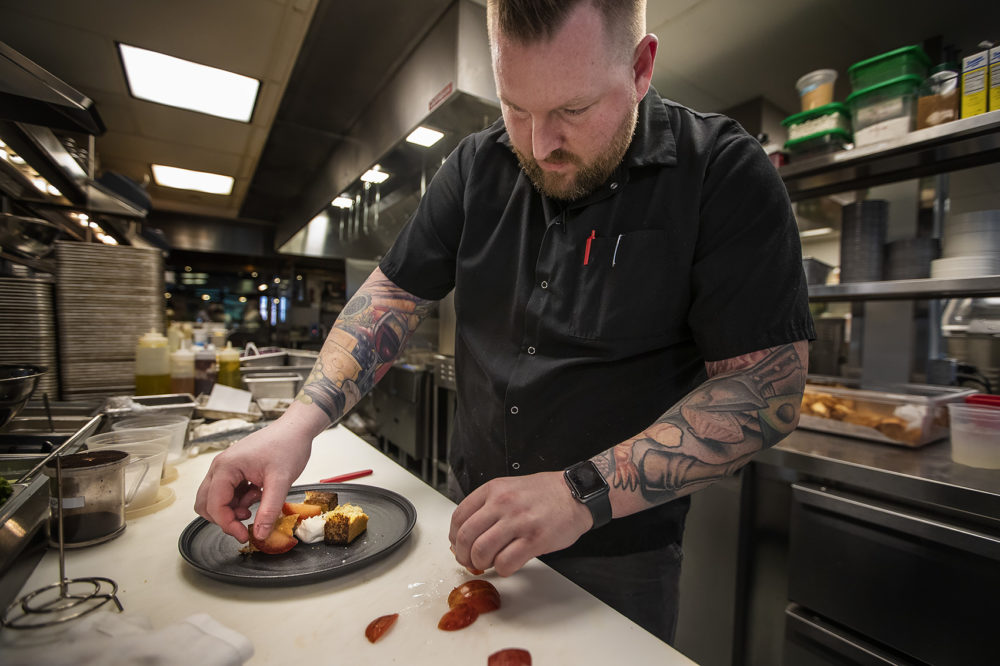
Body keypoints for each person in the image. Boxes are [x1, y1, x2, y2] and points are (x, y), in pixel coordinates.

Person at [195, 0, 814, 644]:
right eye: (516, 108)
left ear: (640, 67)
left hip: (619, 553)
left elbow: (764, 390)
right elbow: (391, 298)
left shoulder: (719, 171)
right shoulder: (475, 165)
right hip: (471, 521)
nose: (541, 145)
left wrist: (580, 492)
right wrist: (297, 426)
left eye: (572, 110)